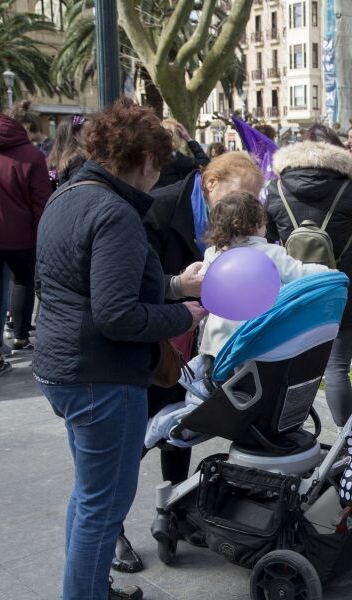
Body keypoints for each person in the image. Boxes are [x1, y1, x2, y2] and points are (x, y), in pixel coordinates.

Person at [33, 98, 207, 600]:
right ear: (146, 161)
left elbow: (99, 285)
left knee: (90, 498)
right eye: (160, 165)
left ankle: (90, 588)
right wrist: (186, 315)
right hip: (99, 376)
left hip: (66, 367)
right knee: (103, 506)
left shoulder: (69, 195)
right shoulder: (115, 213)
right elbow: (117, 314)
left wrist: (176, 285)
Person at [116, 151, 265, 573]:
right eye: (243, 195)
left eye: (255, 198)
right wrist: (180, 286)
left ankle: (175, 511)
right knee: (135, 438)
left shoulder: (238, 215)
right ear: (211, 182)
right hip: (157, 335)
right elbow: (135, 281)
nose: (249, 206)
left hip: (197, 342)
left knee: (177, 428)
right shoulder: (159, 209)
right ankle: (110, 527)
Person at [265, 123, 352, 426]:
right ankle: (346, 441)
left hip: (297, 288)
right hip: (343, 289)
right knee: (337, 368)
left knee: (290, 365)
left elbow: (266, 237)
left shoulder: (275, 188)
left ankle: (287, 432)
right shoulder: (350, 186)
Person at [198, 191, 330, 358]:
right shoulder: (270, 253)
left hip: (217, 341)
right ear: (257, 225)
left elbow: (202, 284)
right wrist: (328, 270)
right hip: (255, 340)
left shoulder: (213, 254)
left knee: (223, 381)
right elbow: (299, 273)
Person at [0, 112, 50, 357]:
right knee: (22, 282)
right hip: (22, 236)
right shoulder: (32, 156)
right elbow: (41, 201)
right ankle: (20, 335)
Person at [153, 119, 211, 189]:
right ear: (177, 137)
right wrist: (189, 139)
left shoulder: (151, 154)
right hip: (170, 197)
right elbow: (205, 163)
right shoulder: (176, 158)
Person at [47, 115, 87, 190]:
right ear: (75, 135)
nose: (91, 135)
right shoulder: (78, 159)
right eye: (87, 131)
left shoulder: (53, 159)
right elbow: (77, 189)